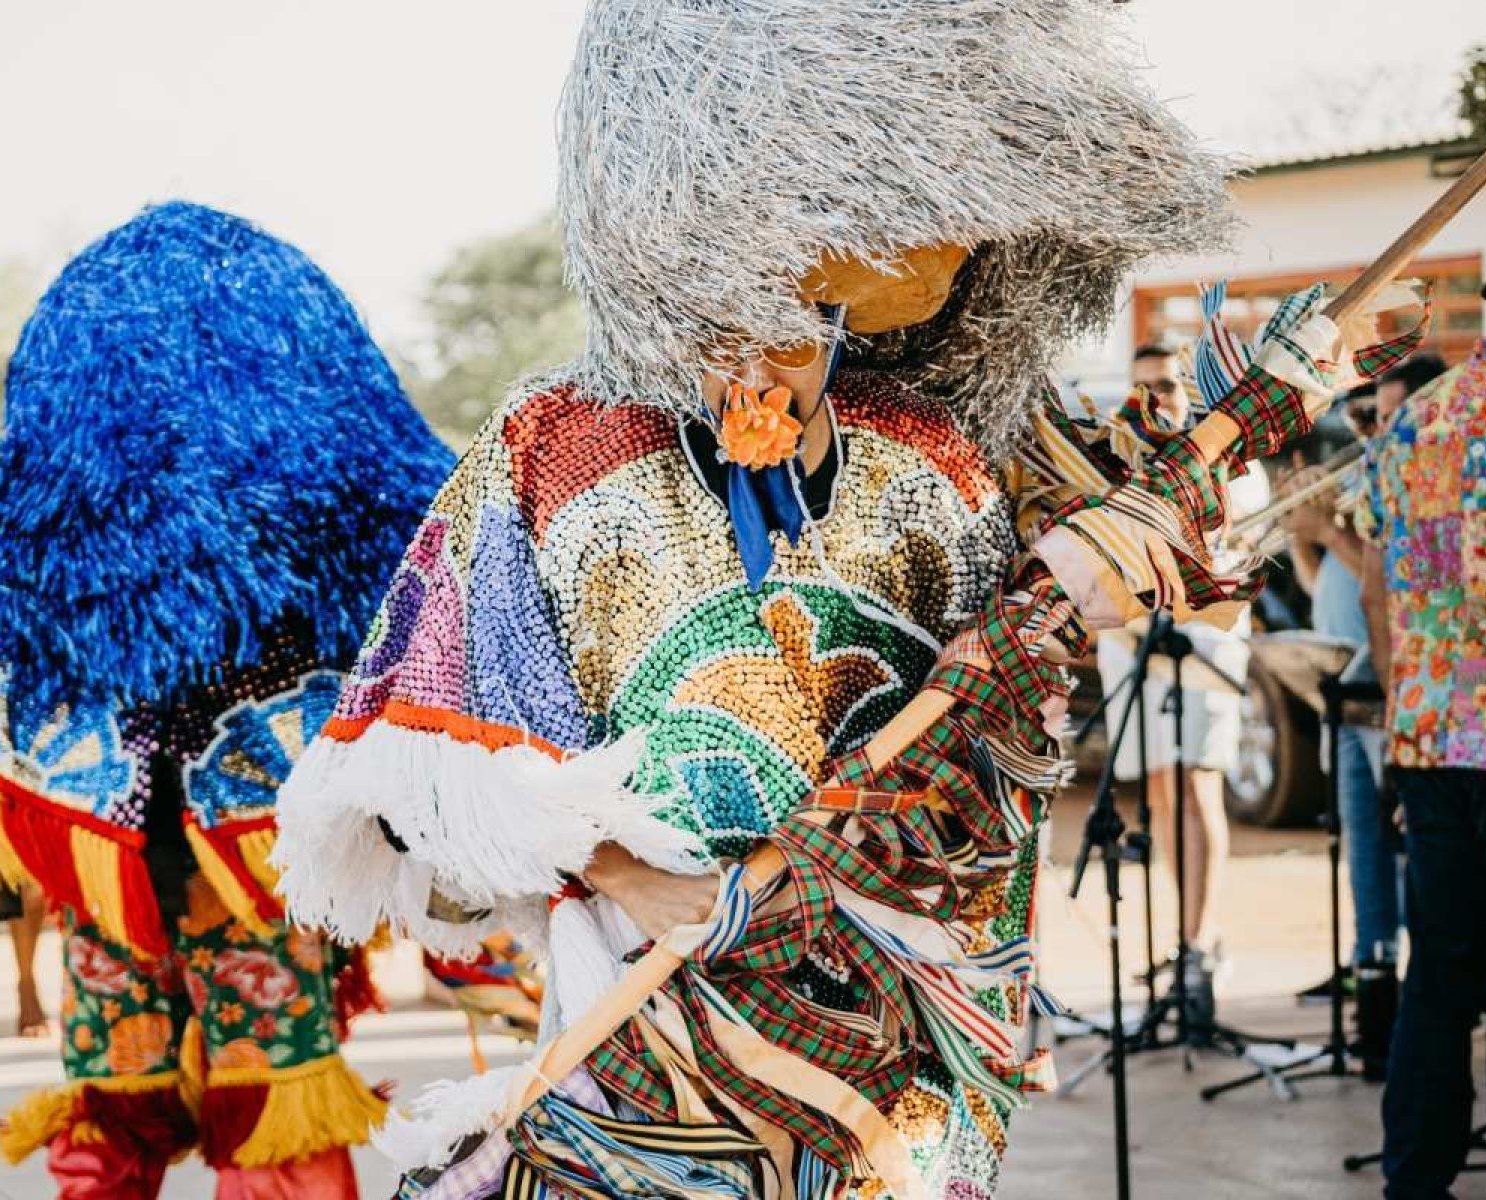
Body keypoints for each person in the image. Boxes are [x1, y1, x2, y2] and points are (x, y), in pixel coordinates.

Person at [272, 3, 1419, 1192]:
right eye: (724, 328)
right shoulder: (554, 448)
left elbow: (1025, 697)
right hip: (645, 1020)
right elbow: (423, 781)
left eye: (796, 331)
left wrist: (1124, 563)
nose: (761, 365)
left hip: (876, 1024)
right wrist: (637, 881)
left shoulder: (939, 465)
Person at [0, 202, 455, 1198]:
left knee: (206, 1118)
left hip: (187, 865)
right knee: (226, 1119)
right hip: (190, 866)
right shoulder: (250, 551)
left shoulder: (62, 548)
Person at [1365, 228, 1486, 1198]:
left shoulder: (1414, 420)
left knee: (1438, 971)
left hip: (1429, 738)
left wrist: (1408, 723)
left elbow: (1373, 594)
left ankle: (1415, 1182)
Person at [1096, 344, 1268, 1027]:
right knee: (1160, 789)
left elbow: (1239, 544)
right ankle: (1179, 934)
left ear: (1186, 390)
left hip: (1202, 635)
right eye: (1141, 389)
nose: (1154, 400)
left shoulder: (1229, 457)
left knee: (1200, 784)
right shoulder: (1117, 459)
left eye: (1164, 385)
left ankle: (1200, 942)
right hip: (1135, 641)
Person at [1285, 357, 1444, 1076]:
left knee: (1404, 843)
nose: (1370, 429)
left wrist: (1328, 532)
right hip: (1346, 685)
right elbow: (1325, 584)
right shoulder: (1367, 480)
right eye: (1363, 417)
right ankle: (1370, 969)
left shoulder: (1420, 480)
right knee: (1360, 840)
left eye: (1381, 415)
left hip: (1393, 690)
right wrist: (1300, 534)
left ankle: (1422, 986)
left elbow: (1388, 578)